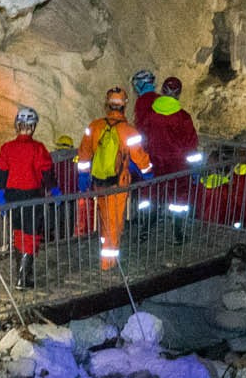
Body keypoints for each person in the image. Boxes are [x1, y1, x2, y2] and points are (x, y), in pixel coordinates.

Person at [76, 87, 151, 269]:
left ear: (107, 105)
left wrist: (83, 176)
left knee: (103, 217)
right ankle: (108, 262)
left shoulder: (94, 126)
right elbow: (140, 158)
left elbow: (84, 153)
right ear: (124, 107)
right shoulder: (128, 131)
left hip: (99, 180)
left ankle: (105, 249)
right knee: (114, 221)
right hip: (119, 182)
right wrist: (148, 171)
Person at [0, 105, 59, 289]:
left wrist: (1, 195)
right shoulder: (38, 148)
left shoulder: (7, 148)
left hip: (12, 196)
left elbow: (2, 173)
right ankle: (22, 279)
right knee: (31, 235)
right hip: (32, 195)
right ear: (32, 127)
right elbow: (46, 171)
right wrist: (54, 190)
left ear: (17, 125)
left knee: (18, 234)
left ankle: (24, 275)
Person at [141, 76, 201, 244]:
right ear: (178, 93)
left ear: (163, 91)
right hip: (177, 165)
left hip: (155, 162)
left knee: (153, 196)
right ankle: (177, 234)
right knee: (178, 200)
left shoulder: (151, 114)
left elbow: (144, 137)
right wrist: (194, 166)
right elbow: (191, 143)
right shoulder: (182, 117)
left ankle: (145, 230)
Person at [50, 133, 88, 241]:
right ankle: (66, 240)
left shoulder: (51, 159)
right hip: (71, 195)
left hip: (54, 196)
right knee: (69, 221)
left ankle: (54, 240)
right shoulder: (75, 158)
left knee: (54, 221)